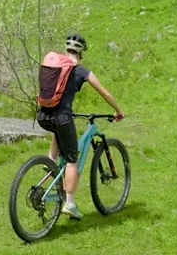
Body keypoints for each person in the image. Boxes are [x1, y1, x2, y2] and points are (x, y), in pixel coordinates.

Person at [35, 33, 124, 220]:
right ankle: (70, 203)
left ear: (66, 48)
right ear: (82, 51)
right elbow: (105, 93)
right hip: (62, 117)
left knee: (58, 133)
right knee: (71, 160)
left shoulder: (54, 65)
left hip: (43, 114)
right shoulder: (81, 71)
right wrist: (118, 110)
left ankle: (50, 163)